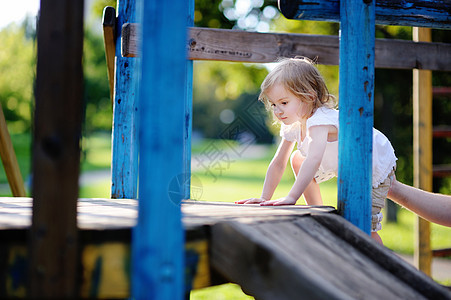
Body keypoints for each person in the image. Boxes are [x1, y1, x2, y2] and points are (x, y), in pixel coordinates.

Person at [235, 57, 397, 245]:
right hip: (345, 163)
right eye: (273, 104)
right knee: (297, 158)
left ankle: (380, 262)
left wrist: (291, 197)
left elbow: (313, 159)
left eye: (284, 103)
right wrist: (264, 198)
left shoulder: (320, 121)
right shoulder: (294, 124)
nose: (277, 111)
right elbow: (279, 162)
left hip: (371, 165)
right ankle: (317, 210)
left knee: (361, 226)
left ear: (309, 97)